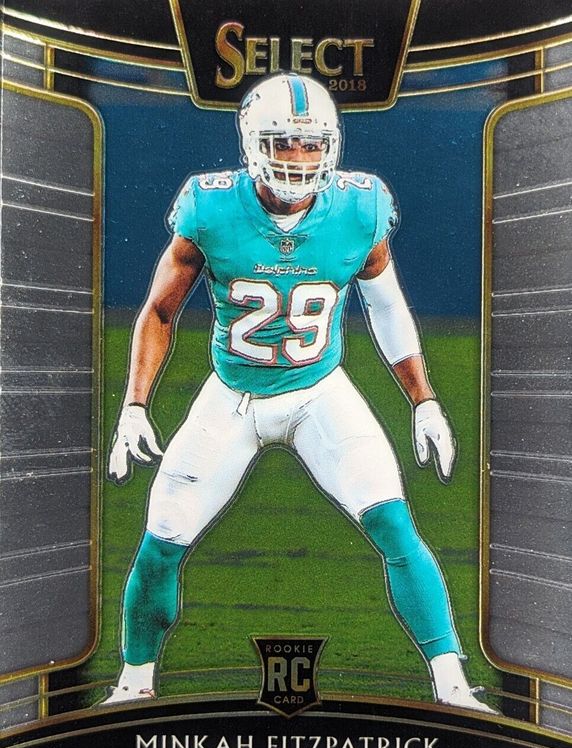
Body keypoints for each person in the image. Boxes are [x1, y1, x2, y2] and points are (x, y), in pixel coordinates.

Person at [102, 72, 495, 713]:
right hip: (233, 396)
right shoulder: (210, 207)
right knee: (162, 536)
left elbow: (386, 307)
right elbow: (160, 310)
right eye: (283, 141)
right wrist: (134, 404)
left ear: (332, 146)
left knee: (395, 525)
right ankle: (133, 688)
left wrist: (424, 401)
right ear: (252, 144)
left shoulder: (360, 209)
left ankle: (453, 688)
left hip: (320, 393)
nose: (298, 157)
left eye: (312, 144)